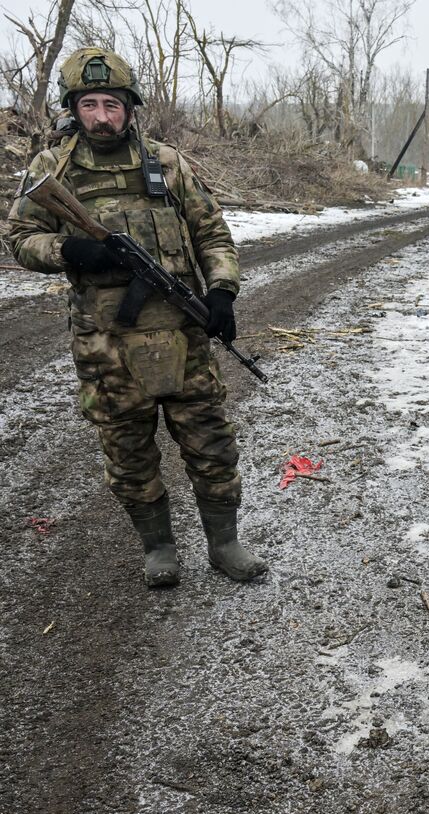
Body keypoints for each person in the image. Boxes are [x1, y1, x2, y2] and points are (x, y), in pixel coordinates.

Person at [4, 47, 267, 586]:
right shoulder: (50, 169)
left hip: (182, 334)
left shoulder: (167, 164)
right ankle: (159, 548)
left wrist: (221, 291)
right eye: (90, 104)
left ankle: (225, 542)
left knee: (211, 443)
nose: (102, 116)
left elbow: (211, 232)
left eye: (112, 104)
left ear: (131, 107)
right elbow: (20, 239)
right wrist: (70, 253)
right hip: (106, 344)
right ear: (72, 108)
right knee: (128, 452)